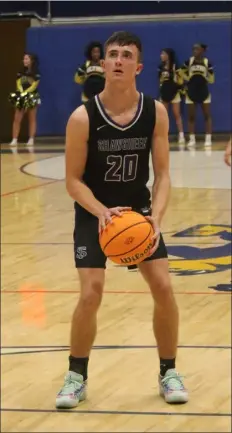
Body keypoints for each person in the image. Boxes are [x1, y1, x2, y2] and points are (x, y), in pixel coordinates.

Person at [56, 31, 188, 409]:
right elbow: (72, 181)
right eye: (111, 54)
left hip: (137, 213)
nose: (117, 60)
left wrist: (156, 218)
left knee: (163, 287)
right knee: (90, 292)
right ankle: (75, 376)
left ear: (138, 67)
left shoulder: (155, 112)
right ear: (102, 64)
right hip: (93, 213)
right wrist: (101, 212)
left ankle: (169, 371)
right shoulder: (82, 118)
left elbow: (162, 174)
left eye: (125, 55)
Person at [181, 43, 215, 148]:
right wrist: (188, 78)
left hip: (203, 91)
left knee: (207, 115)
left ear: (202, 51)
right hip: (191, 92)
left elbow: (212, 79)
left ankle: (208, 139)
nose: (195, 51)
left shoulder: (207, 62)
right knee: (191, 116)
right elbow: (180, 72)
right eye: (193, 49)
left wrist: (205, 77)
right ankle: (192, 139)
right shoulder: (189, 61)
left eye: (197, 49)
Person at [9, 53, 41, 146]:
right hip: (21, 95)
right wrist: (21, 92)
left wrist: (27, 92)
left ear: (32, 61)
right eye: (24, 59)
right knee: (17, 118)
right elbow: (18, 82)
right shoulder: (20, 71)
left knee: (32, 118)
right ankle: (14, 139)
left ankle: (31, 139)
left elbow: (35, 85)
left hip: (32, 96)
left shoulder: (36, 72)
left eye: (27, 59)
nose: (24, 61)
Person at [158, 48, 185, 145]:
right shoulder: (160, 67)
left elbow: (181, 80)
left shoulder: (176, 67)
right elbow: (160, 81)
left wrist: (177, 84)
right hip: (164, 93)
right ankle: (164, 135)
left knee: (177, 114)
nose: (161, 55)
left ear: (168, 55)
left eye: (163, 53)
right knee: (163, 116)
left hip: (174, 93)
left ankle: (181, 135)